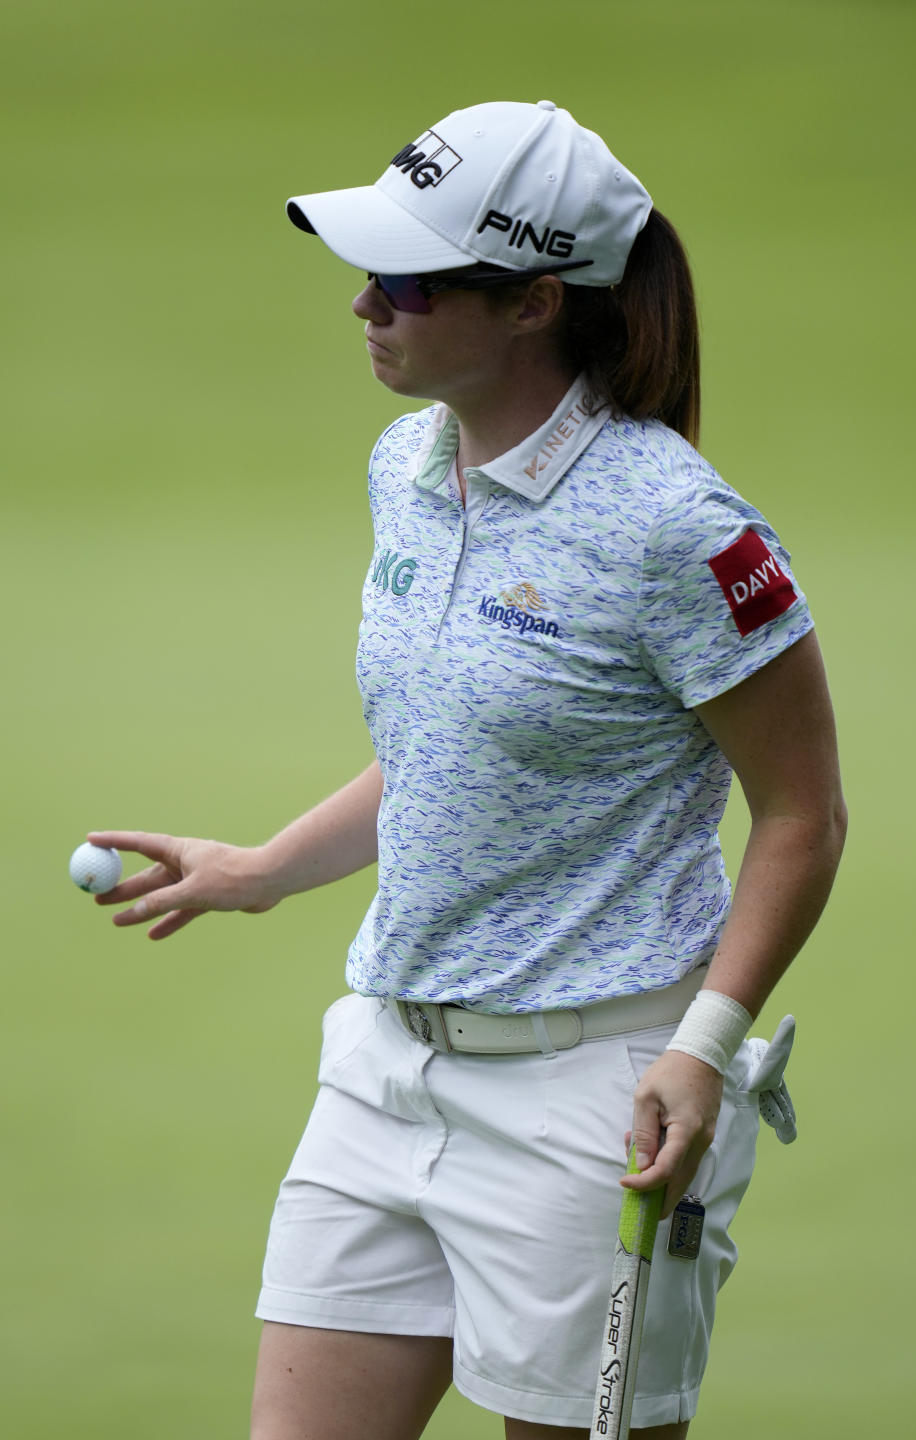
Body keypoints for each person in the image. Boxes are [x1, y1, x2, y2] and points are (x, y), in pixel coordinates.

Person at [89, 100, 847, 1439]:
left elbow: (802, 815)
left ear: (533, 304)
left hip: (596, 1103)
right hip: (384, 1066)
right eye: (368, 273)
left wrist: (701, 1050)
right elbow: (448, 752)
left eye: (409, 281)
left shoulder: (681, 530)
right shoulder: (410, 464)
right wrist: (266, 868)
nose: (367, 306)